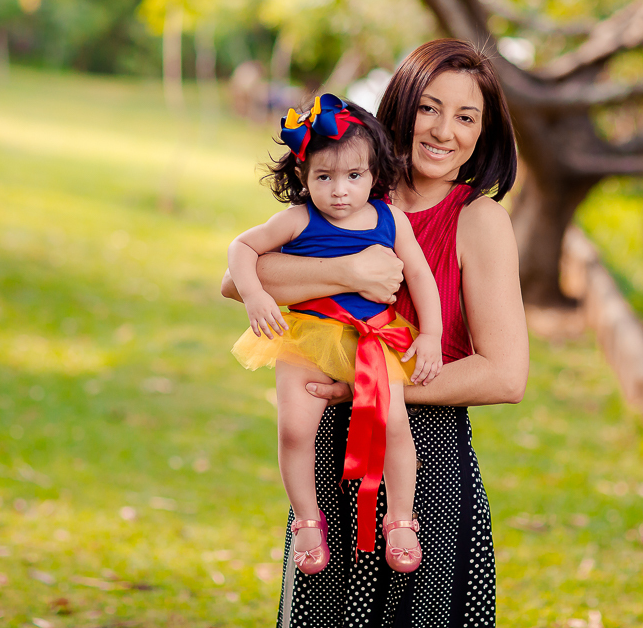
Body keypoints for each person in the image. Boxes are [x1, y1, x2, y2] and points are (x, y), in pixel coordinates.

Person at [223, 39, 529, 627]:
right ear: (402, 106)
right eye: (429, 108)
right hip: (328, 461)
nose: (444, 131)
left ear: (483, 133)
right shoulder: (352, 187)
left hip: (426, 468)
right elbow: (237, 280)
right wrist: (345, 271)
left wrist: (367, 388)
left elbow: (504, 374)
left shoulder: (479, 220)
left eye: (467, 117)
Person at [228, 93, 444, 576]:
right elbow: (242, 246)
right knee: (294, 428)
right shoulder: (300, 219)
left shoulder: (391, 220)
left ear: (375, 174)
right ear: (303, 177)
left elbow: (422, 278)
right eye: (324, 177)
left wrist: (431, 334)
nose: (340, 191)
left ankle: (401, 518)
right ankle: (307, 518)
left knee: (393, 424)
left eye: (354, 176)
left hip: (374, 339)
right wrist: (256, 295)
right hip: (305, 335)